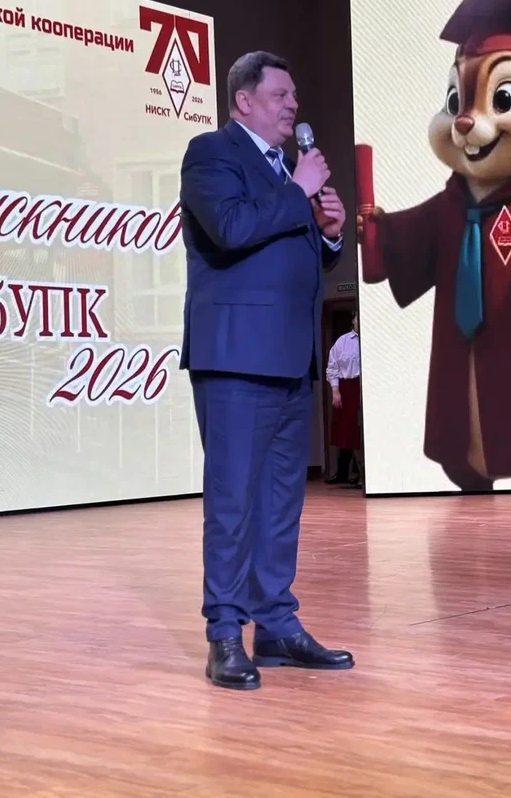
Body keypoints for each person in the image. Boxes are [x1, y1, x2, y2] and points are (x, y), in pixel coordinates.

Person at [179, 50, 355, 691]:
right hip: (234, 357)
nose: (293, 106)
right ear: (244, 100)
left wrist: (328, 233)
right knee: (233, 502)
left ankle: (276, 625)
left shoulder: (286, 172)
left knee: (282, 503)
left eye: (295, 95)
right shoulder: (211, 153)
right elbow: (229, 229)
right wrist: (298, 192)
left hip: (288, 359)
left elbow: (295, 255)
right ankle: (225, 633)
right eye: (281, 95)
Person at [326, 311, 362, 487]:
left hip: (367, 388)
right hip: (348, 388)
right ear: (353, 320)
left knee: (362, 431)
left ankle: (362, 475)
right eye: (357, 318)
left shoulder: (374, 338)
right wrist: (335, 391)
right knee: (348, 431)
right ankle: (347, 473)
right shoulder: (343, 341)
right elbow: (332, 367)